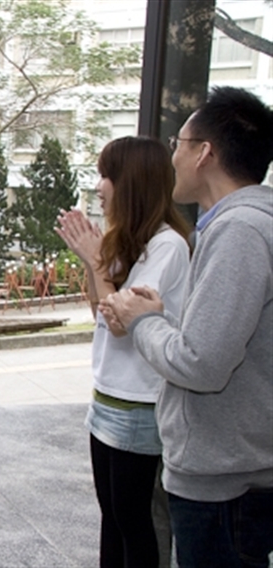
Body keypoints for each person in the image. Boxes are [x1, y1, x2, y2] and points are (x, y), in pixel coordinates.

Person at [102, 87, 273, 567]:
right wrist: (164, 319)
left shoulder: (240, 231)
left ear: (204, 153)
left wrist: (144, 321)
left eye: (178, 143)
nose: (172, 156)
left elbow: (201, 364)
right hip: (238, 472)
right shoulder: (242, 224)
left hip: (225, 482)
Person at [56, 136, 191, 567]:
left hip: (139, 405)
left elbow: (121, 322)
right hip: (109, 398)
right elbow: (101, 311)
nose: (99, 186)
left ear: (131, 181)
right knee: (112, 518)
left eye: (107, 175)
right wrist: (92, 260)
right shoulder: (133, 240)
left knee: (134, 521)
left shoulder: (167, 246)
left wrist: (96, 260)